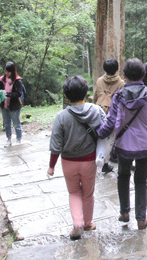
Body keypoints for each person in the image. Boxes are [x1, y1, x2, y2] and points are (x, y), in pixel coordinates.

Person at [97, 59, 147, 231]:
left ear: (125, 76)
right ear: (143, 75)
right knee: (141, 180)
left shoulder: (119, 96)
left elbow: (111, 121)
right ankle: (141, 219)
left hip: (124, 146)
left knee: (123, 176)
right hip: (146, 145)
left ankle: (124, 213)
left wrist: (98, 135)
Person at [47, 76, 106, 240]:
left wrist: (51, 166)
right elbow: (106, 130)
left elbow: (56, 145)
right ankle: (87, 223)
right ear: (86, 93)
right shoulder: (96, 110)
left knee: (74, 192)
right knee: (88, 193)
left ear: (66, 95)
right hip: (89, 160)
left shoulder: (62, 116)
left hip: (69, 162)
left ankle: (77, 223)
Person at [93, 59, 125, 173]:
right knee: (110, 139)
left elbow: (95, 95)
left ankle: (98, 158)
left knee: (99, 137)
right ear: (117, 69)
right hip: (113, 113)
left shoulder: (99, 80)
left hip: (99, 110)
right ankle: (106, 162)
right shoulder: (121, 83)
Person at [0, 61, 25, 147]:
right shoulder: (2, 80)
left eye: (8, 72)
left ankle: (18, 138)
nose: (6, 73)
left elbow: (19, 93)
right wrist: (2, 93)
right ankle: (8, 139)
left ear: (12, 72)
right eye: (5, 71)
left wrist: (8, 94)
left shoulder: (17, 81)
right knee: (6, 123)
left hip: (14, 105)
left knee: (16, 122)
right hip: (4, 104)